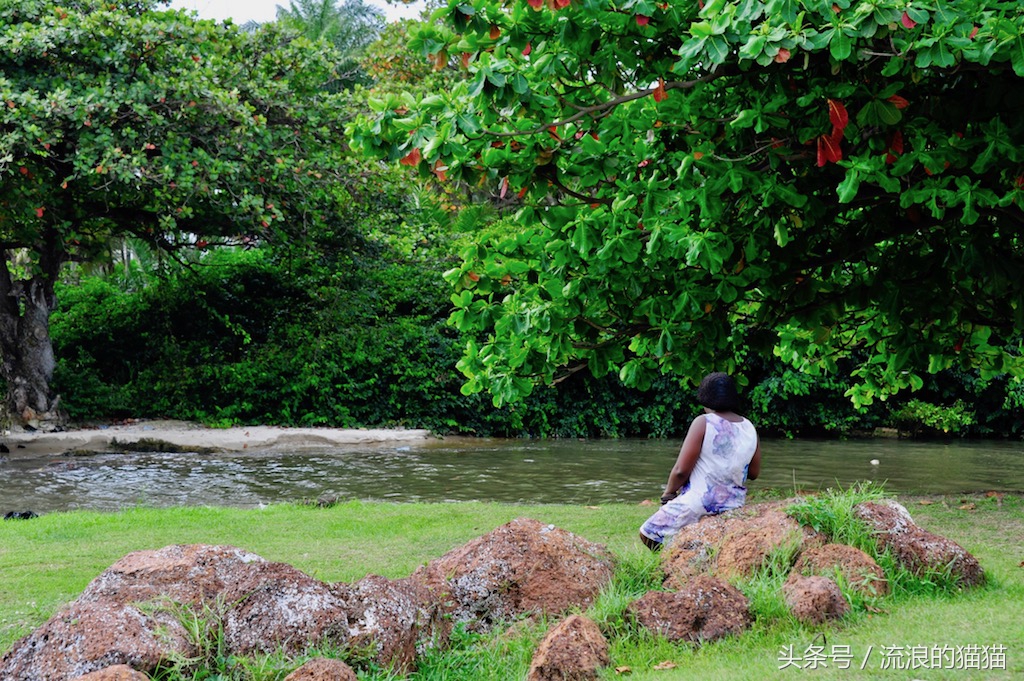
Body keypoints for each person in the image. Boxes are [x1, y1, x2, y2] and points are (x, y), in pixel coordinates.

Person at [639, 372, 761, 551]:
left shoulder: (703, 422)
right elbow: (754, 473)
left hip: (701, 502)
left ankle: (674, 562)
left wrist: (668, 494)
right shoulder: (749, 427)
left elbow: (681, 470)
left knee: (648, 533)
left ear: (704, 399)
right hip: (735, 503)